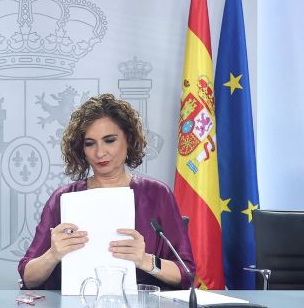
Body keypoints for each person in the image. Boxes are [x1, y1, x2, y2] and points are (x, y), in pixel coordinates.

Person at [19, 93, 195, 291]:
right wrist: (52, 255)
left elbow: (185, 273)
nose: (100, 152)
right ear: (81, 149)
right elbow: (28, 278)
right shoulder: (63, 198)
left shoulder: (157, 194)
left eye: (109, 140)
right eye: (90, 143)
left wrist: (145, 260)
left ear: (128, 139)